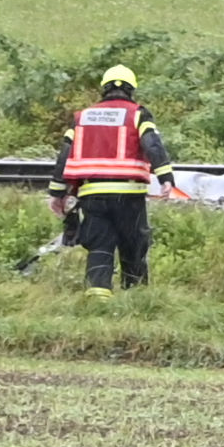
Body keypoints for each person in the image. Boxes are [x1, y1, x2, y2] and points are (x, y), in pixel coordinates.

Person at [51, 61, 167, 291]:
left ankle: (98, 299)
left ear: (104, 88)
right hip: (129, 195)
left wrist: (57, 192)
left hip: (93, 194)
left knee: (99, 246)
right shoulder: (138, 114)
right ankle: (135, 296)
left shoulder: (82, 117)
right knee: (133, 246)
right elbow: (152, 145)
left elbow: (65, 153)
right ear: (131, 89)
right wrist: (166, 177)